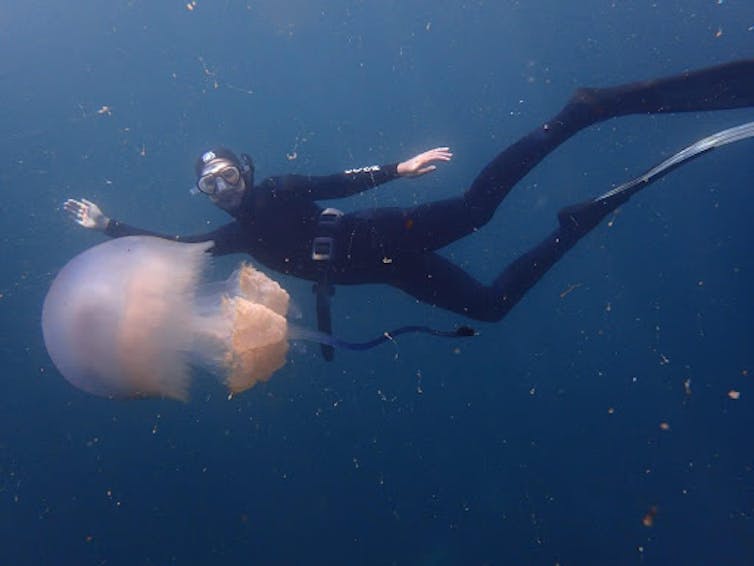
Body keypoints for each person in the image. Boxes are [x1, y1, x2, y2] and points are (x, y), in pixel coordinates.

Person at [66, 58, 754, 359]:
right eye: (210, 188)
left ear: (245, 169)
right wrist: (111, 228)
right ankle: (576, 223)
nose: (223, 190)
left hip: (387, 230)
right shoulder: (234, 238)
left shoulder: (277, 192)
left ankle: (578, 114)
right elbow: (174, 249)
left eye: (225, 175)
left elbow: (336, 183)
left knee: (481, 208)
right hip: (394, 270)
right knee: (490, 308)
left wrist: (399, 168)